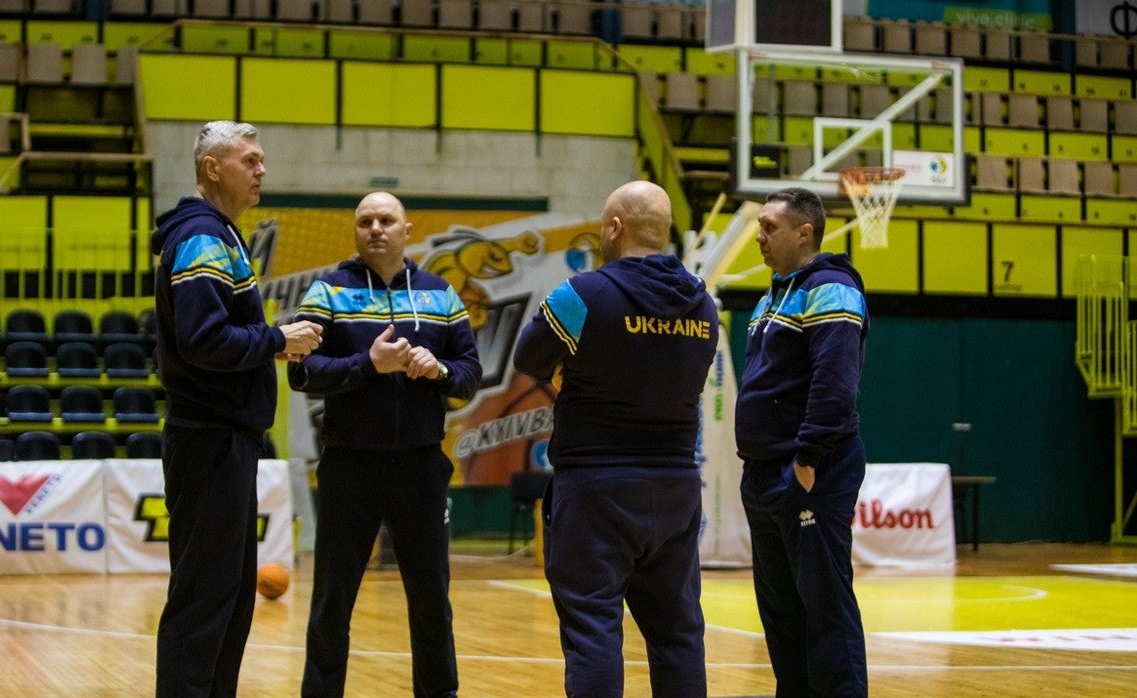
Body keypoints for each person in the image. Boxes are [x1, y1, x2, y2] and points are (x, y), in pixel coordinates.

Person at [512, 180, 718, 697]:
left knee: (593, 631)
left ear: (615, 228)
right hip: (676, 489)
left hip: (596, 489)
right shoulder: (703, 305)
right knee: (678, 635)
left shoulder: (582, 294)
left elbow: (528, 358)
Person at [151, 120, 324, 698]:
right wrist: (277, 339)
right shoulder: (203, 237)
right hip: (210, 439)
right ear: (211, 168)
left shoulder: (220, 235)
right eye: (249, 160)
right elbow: (203, 340)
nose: (261, 170)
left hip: (224, 439)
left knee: (225, 597)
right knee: (205, 598)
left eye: (261, 160)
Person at [287, 191, 482, 698]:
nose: (375, 228)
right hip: (349, 467)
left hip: (421, 467)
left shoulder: (441, 294)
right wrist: (368, 365)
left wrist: (438, 371)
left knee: (432, 601)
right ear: (355, 231)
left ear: (407, 231)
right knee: (332, 601)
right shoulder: (328, 291)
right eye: (365, 221)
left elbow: (469, 374)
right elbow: (302, 372)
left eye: (386, 220)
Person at [734, 187, 870, 697]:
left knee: (824, 605)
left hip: (811, 470)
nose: (760, 237)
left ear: (804, 232)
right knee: (781, 612)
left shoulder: (832, 288)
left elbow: (835, 382)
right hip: (763, 472)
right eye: (760, 226)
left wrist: (808, 456)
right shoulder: (772, 295)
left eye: (770, 227)